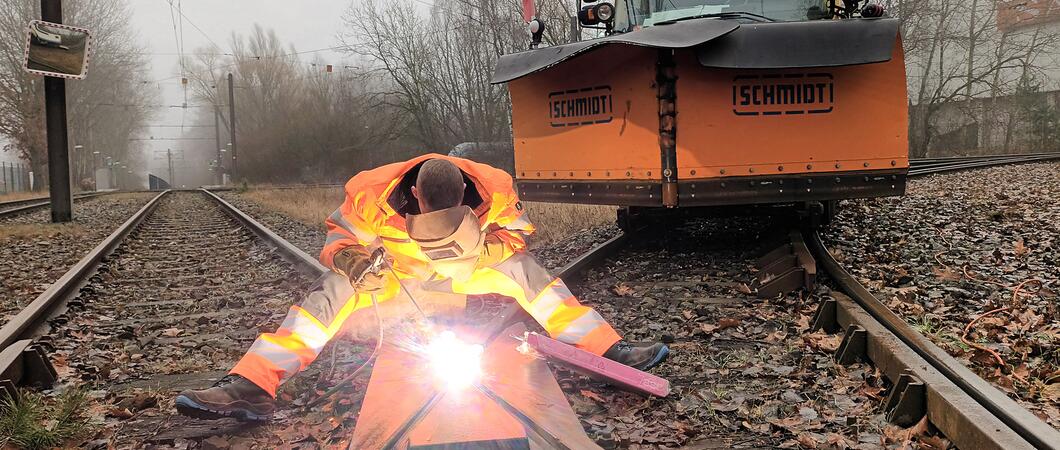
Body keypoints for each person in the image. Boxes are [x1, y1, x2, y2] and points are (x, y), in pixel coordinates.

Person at [175, 154, 669, 421]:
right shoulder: (369, 191)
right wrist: (351, 260)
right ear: (413, 195)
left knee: (527, 273)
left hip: (471, 266)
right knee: (331, 292)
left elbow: (517, 234)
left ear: (467, 197)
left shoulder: (495, 186)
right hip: (398, 275)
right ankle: (255, 383)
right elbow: (338, 236)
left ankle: (610, 351)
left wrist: (487, 252)